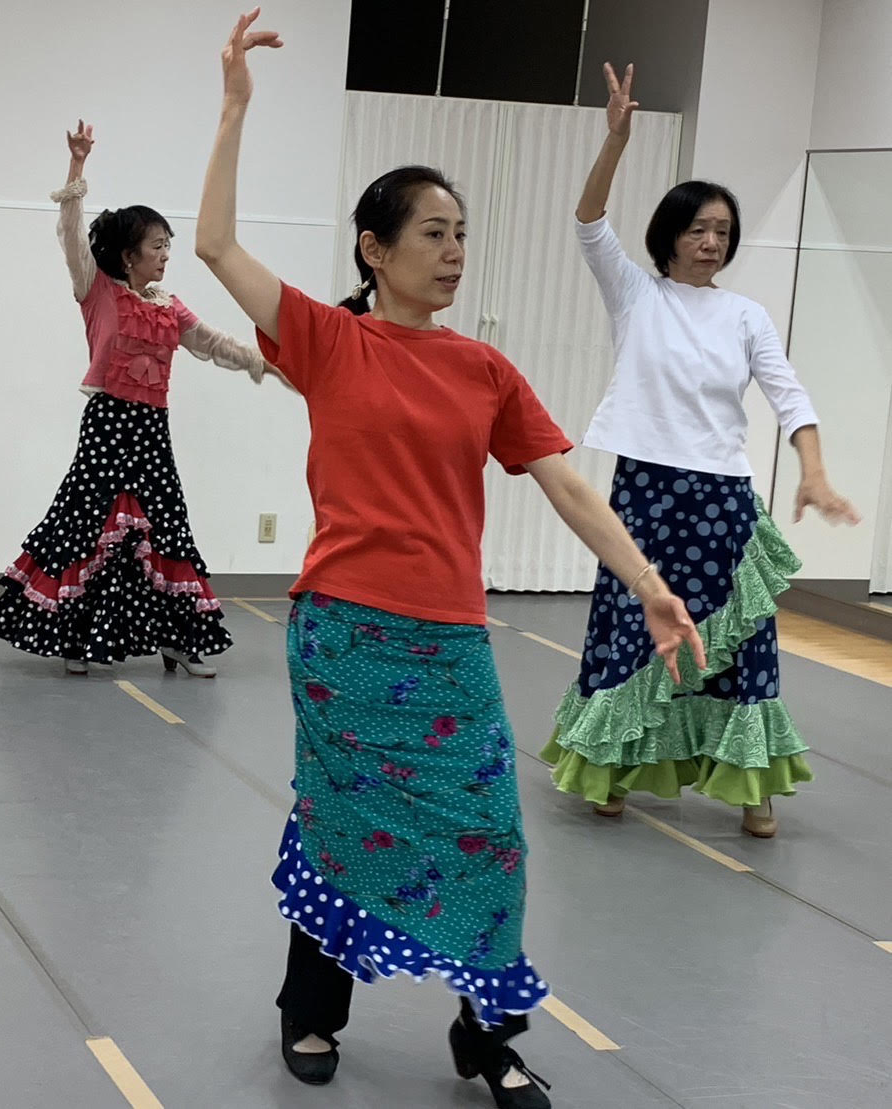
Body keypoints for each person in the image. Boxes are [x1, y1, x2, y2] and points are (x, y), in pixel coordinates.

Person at [192, 12, 705, 1107]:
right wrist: (234, 111)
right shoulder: (329, 339)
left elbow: (567, 482)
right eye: (433, 232)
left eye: (462, 233)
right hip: (345, 631)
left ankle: (488, 1035)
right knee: (341, 820)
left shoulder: (484, 369)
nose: (454, 250)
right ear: (374, 250)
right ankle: (310, 1009)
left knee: (490, 837)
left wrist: (649, 585)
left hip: (450, 637)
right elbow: (217, 249)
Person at [540, 62, 860, 839]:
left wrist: (814, 472)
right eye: (697, 228)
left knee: (736, 637)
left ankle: (751, 788)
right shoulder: (635, 293)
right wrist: (614, 141)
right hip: (643, 492)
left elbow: (789, 396)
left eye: (721, 230)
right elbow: (587, 220)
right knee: (629, 623)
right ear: (670, 236)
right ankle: (612, 770)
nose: (711, 241)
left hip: (722, 500)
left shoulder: (745, 315)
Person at [0, 119, 276, 677]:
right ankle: (75, 637)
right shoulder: (96, 289)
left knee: (165, 526)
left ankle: (177, 640)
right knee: (90, 525)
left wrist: (266, 361)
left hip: (152, 429)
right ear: (129, 254)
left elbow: (210, 342)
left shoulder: (168, 305)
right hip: (108, 422)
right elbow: (71, 235)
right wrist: (77, 167)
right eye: (157, 246)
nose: (165, 255)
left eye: (167, 246)